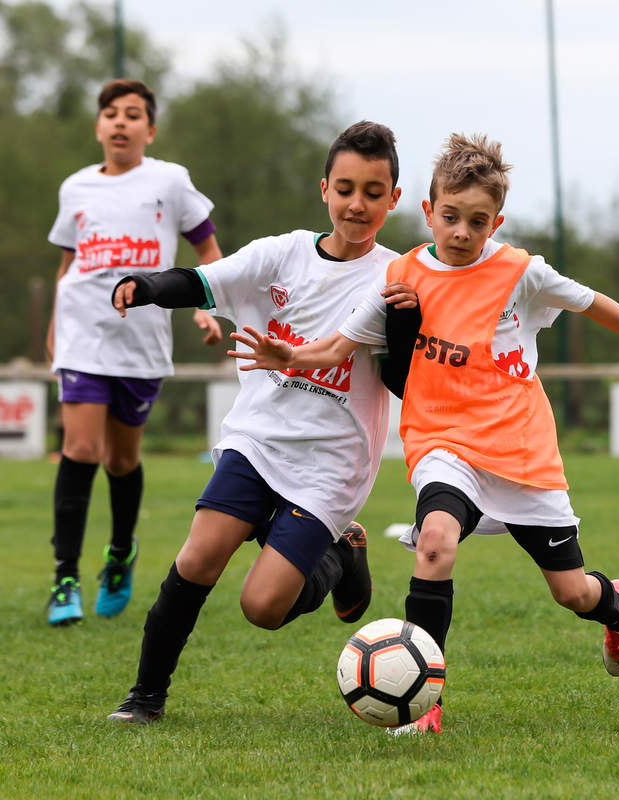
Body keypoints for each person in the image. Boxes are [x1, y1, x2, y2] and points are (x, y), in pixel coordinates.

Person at [230, 133, 619, 734]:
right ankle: (425, 705)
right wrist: (288, 353)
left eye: (477, 221)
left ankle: (616, 605)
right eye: (450, 218)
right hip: (443, 446)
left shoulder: (520, 272)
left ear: (496, 220)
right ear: (427, 211)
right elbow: (340, 344)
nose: (462, 233)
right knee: (435, 542)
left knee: (571, 593)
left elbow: (596, 304)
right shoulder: (402, 274)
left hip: (521, 451)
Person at [104, 121, 420, 724]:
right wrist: (144, 285)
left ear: (393, 200)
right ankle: (145, 698)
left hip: (330, 464)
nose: (357, 205)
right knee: (198, 559)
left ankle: (342, 552)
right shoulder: (281, 254)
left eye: (373, 193)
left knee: (263, 606)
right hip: (258, 440)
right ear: (324, 188)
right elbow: (200, 282)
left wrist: (404, 327)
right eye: (346, 188)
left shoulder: (401, 279)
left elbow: (403, 383)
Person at [44, 79, 224, 626]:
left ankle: (120, 553)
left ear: (150, 129)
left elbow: (208, 247)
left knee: (122, 460)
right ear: (98, 126)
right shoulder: (74, 188)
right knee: (80, 449)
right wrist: (55, 327)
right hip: (81, 336)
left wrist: (204, 304)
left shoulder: (169, 181)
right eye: (111, 114)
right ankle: (64, 579)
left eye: (133, 115)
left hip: (140, 342)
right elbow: (66, 267)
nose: (120, 123)